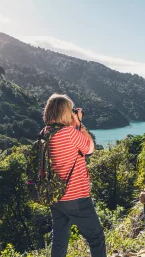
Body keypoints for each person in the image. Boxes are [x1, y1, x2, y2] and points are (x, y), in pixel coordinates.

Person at [43, 93, 107, 257]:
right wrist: (80, 125)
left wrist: (74, 125)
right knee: (96, 237)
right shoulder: (69, 133)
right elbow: (90, 148)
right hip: (76, 196)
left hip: (55, 195)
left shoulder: (45, 132)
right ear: (65, 112)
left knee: (59, 239)